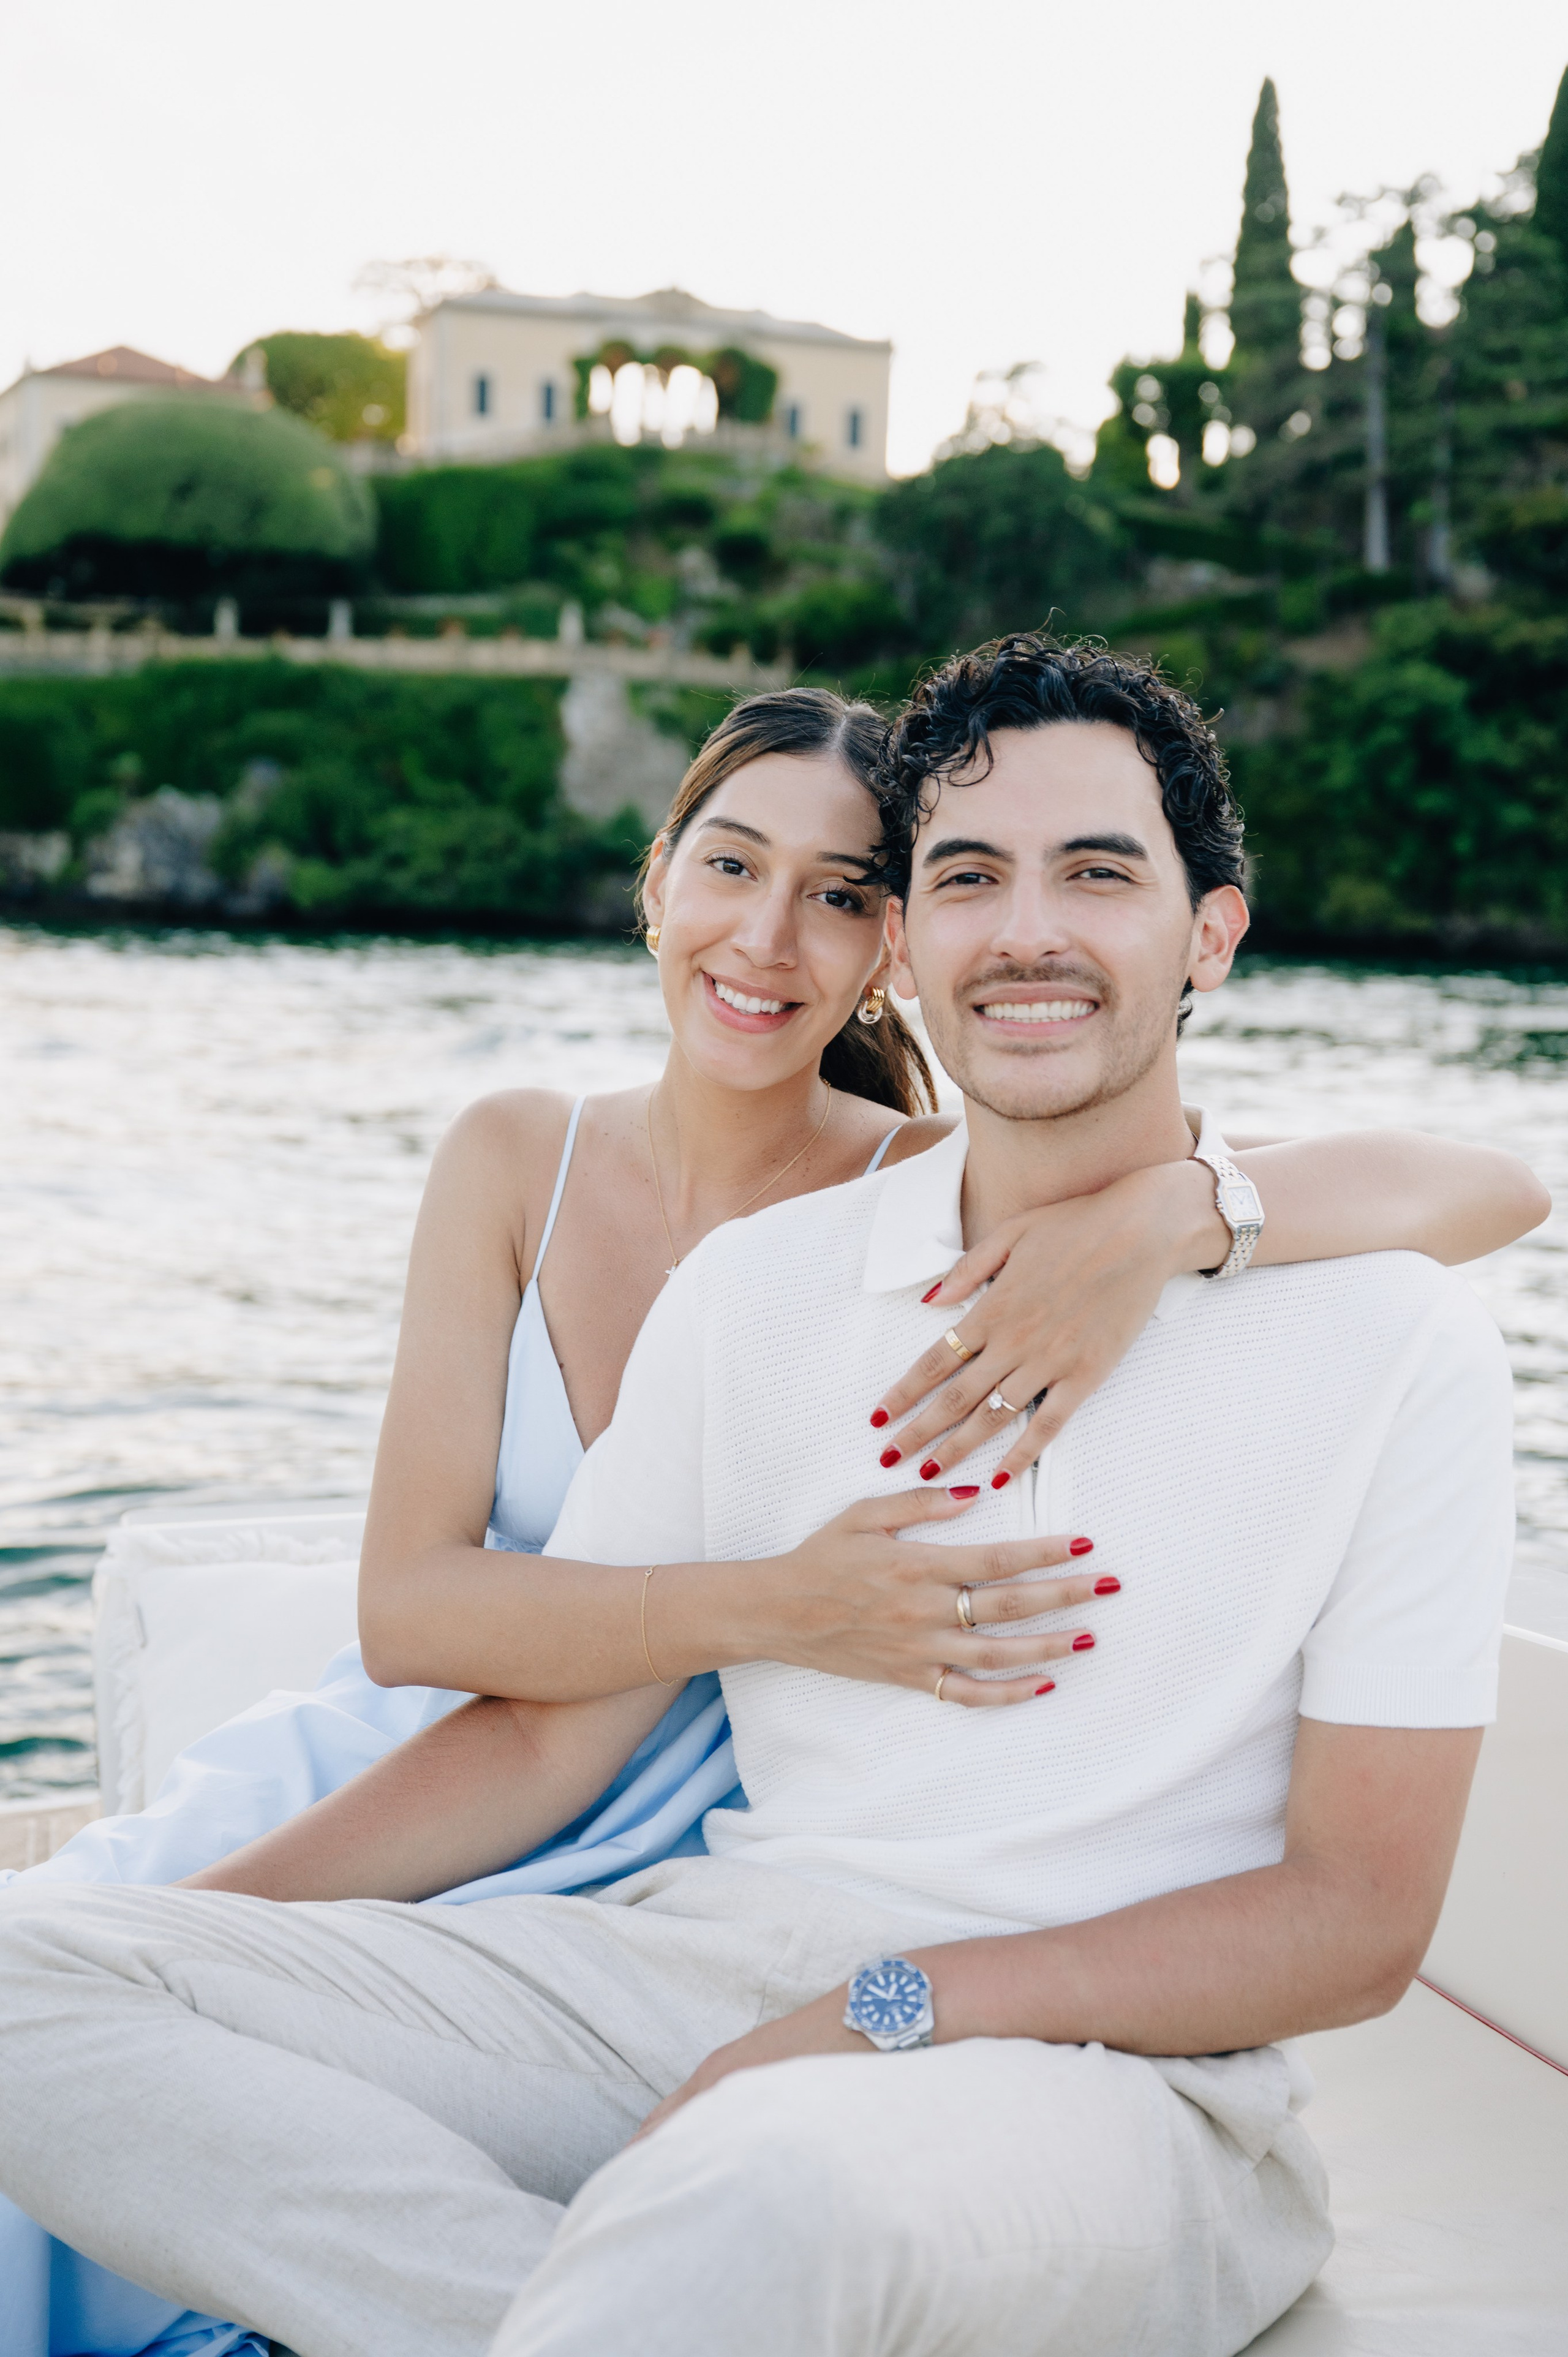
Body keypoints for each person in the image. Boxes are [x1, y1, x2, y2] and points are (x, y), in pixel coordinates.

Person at [0, 635, 1526, 2357]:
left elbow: (1354, 1924)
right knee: (24, 1983)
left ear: (1211, 935)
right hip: (690, 1975)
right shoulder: (762, 1293)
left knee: (770, 2192)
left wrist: (884, 2011)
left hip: (1109, 2077)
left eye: (1096, 873)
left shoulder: (1394, 1340)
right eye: (968, 878)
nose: (1026, 929)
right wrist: (177, 1945)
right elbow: (544, 1741)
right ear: (918, 947)